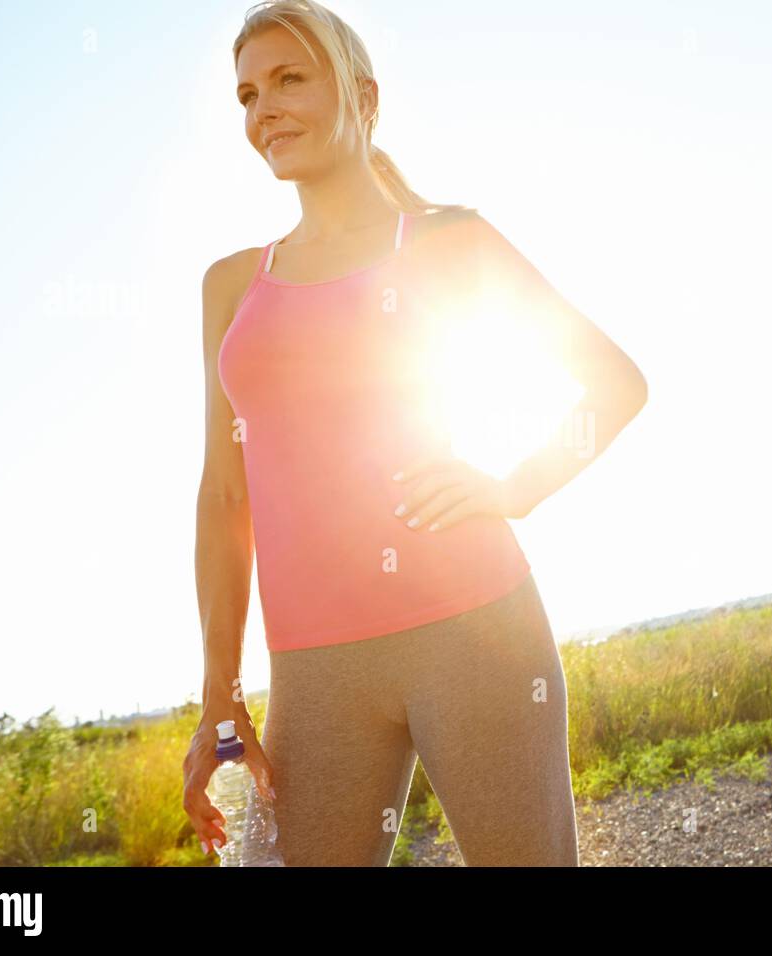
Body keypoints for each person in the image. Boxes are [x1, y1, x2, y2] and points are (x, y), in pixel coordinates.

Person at [183, 0, 648, 866]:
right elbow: (224, 494)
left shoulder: (449, 241)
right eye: (247, 94)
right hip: (313, 675)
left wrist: (516, 486)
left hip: (477, 632)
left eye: (290, 79)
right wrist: (221, 692)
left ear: (363, 97)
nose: (263, 110)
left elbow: (615, 384)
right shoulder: (230, 286)